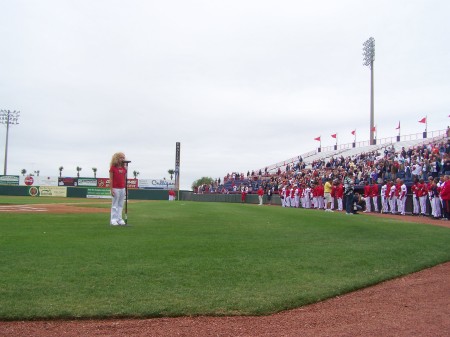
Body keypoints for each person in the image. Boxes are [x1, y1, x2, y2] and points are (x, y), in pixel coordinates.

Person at [109, 152, 128, 226]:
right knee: (115, 204)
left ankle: (119, 219)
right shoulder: (113, 168)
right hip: (115, 188)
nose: (123, 159)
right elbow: (111, 179)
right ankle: (113, 219)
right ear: (117, 158)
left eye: (123, 157)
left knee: (121, 204)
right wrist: (111, 189)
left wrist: (126, 189)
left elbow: (125, 179)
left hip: (122, 188)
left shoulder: (124, 168)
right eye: (121, 157)